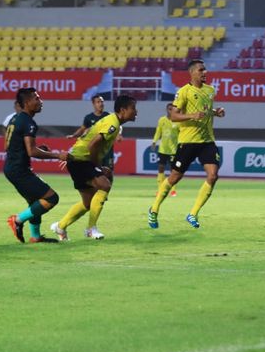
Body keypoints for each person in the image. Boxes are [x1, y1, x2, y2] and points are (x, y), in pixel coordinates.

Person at [148, 59, 225, 229]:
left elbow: (205, 111)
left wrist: (216, 112)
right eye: (201, 70)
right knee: (175, 177)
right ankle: (154, 209)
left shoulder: (210, 90)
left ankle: (193, 214)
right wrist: (192, 116)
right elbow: (174, 116)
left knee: (213, 175)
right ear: (192, 72)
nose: (205, 72)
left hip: (207, 141)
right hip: (188, 141)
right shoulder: (183, 92)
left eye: (205, 70)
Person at [51, 95, 137, 241]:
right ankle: (91, 229)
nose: (136, 112)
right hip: (81, 160)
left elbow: (89, 138)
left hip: (77, 158)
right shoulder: (113, 124)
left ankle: (60, 226)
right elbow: (92, 145)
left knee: (87, 203)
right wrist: (98, 166)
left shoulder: (113, 121)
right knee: (104, 185)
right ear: (122, 110)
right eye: (133, 108)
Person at [5, 87, 68, 243]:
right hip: (19, 170)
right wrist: (56, 155)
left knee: (36, 201)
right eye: (37, 98)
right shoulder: (28, 122)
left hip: (12, 168)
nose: (41, 101)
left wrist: (37, 148)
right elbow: (32, 152)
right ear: (27, 102)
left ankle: (35, 236)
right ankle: (17, 220)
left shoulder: (16, 118)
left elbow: (14, 146)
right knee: (52, 198)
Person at [67, 94, 119, 179]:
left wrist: (119, 134)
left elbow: (118, 126)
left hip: (107, 150)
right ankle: (97, 190)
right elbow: (82, 129)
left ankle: (105, 190)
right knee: (95, 173)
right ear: (94, 104)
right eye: (98, 102)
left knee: (109, 173)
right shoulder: (89, 118)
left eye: (102, 102)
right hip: (95, 150)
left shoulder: (109, 116)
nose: (101, 104)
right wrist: (74, 135)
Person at [151, 103, 179, 197]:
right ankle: (160, 189)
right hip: (163, 149)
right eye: (169, 109)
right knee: (161, 169)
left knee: (174, 171)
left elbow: (182, 133)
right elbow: (158, 132)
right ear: (167, 110)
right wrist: (154, 142)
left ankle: (173, 190)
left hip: (173, 150)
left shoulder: (178, 121)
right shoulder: (162, 120)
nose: (170, 111)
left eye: (172, 109)